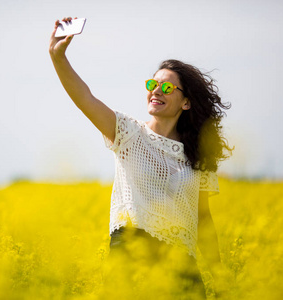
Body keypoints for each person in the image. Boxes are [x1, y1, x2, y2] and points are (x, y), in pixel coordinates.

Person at [49, 17, 232, 298]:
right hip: (130, 257)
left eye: (167, 87)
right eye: (152, 84)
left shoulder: (197, 157)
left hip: (183, 265)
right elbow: (85, 97)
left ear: (186, 102)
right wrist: (58, 57)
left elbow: (203, 219)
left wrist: (219, 279)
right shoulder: (128, 134)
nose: (156, 91)